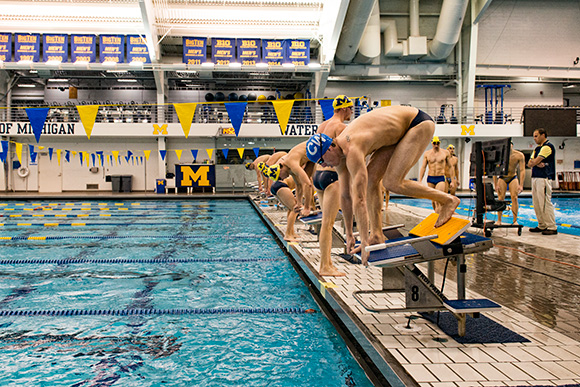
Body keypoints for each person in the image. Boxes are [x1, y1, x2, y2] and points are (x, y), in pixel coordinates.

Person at [306, 106, 460, 264]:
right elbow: (345, 196)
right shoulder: (339, 155)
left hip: (416, 124)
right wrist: (350, 234)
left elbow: (359, 199)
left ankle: (448, 200)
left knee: (392, 183)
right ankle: (377, 235)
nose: (323, 166)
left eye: (322, 160)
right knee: (372, 180)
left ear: (330, 148)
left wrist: (364, 243)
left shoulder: (352, 148)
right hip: (396, 133)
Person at [309, 95, 353, 276]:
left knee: (325, 223)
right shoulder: (341, 127)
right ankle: (324, 267)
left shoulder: (322, 126)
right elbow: (347, 155)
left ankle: (327, 263)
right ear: (344, 109)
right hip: (332, 177)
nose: (352, 111)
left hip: (318, 176)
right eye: (350, 108)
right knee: (328, 224)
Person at [263, 142, 316, 218]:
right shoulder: (290, 169)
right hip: (311, 156)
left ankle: (310, 207)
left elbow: (308, 184)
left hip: (316, 147)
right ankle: (312, 207)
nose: (283, 179)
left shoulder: (291, 163)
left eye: (280, 178)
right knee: (305, 180)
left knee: (309, 181)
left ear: (280, 169)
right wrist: (299, 203)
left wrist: (306, 208)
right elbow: (298, 185)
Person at [527, 128, 557, 235]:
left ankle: (551, 227)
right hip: (535, 177)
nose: (534, 138)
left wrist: (535, 162)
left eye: (536, 136)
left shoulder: (548, 147)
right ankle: (542, 225)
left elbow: (535, 161)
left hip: (544, 178)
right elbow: (529, 163)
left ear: (543, 135)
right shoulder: (537, 148)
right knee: (537, 203)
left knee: (544, 203)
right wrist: (535, 162)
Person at [419, 136, 455, 211]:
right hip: (430, 178)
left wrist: (452, 181)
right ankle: (436, 214)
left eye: (438, 143)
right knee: (433, 200)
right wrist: (420, 180)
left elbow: (451, 167)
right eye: (434, 143)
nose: (436, 145)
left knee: (438, 199)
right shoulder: (427, 153)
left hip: (440, 178)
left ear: (439, 143)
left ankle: (438, 216)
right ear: (432, 143)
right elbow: (423, 167)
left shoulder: (445, 153)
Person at [493, 142, 525, 224]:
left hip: (513, 177)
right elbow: (495, 170)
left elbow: (522, 170)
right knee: (500, 198)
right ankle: (499, 220)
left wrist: (521, 185)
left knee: (514, 198)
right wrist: (495, 184)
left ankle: (515, 220)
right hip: (502, 177)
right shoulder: (499, 156)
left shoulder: (519, 155)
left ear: (512, 146)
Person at [269, 176, 300, 241]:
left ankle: (291, 232)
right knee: (295, 209)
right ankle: (288, 235)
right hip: (282, 186)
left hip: (276, 185)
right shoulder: (307, 178)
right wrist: (299, 202)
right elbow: (298, 187)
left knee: (291, 208)